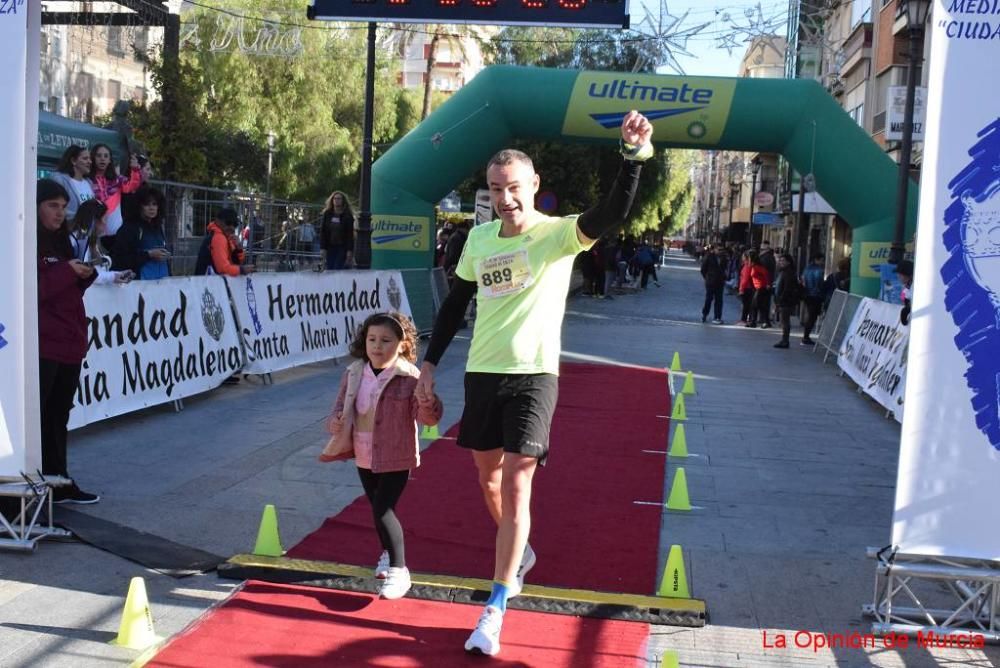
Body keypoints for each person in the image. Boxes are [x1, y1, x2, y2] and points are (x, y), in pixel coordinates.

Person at [414, 110, 654, 657]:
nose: (506, 198)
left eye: (515, 187)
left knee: (519, 483)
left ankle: (495, 607)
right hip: (484, 372)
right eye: (497, 189)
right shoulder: (475, 241)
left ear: (534, 186)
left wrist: (633, 156)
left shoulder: (556, 235)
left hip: (535, 375)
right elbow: (455, 305)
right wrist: (429, 364)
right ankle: (518, 552)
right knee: (488, 480)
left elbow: (612, 211)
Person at [318, 312, 443, 600]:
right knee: (377, 507)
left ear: (402, 345)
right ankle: (388, 555)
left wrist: (428, 402)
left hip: (396, 455)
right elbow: (338, 410)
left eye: (386, 340)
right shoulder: (353, 373)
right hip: (363, 453)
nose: (377, 346)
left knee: (382, 509)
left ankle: (400, 570)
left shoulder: (409, 377)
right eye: (372, 339)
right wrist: (335, 421)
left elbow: (428, 418)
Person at [36, 179, 101, 504]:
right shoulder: (23, 242)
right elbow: (33, 290)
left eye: (63, 206)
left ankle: (59, 482)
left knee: (58, 416)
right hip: (43, 346)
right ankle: (32, 485)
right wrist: (66, 272)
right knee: (40, 417)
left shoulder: (63, 242)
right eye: (52, 206)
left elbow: (64, 292)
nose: (60, 213)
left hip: (69, 341)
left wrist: (84, 278)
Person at [68, 199, 133, 285]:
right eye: (105, 220)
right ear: (94, 221)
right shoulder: (78, 240)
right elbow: (85, 273)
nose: (105, 225)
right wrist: (113, 276)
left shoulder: (89, 240)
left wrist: (116, 275)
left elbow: (96, 271)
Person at [112, 186, 171, 280]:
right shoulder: (129, 229)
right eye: (147, 204)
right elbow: (121, 260)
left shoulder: (158, 227)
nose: (151, 208)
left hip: (162, 283)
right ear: (139, 206)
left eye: (154, 204)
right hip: (140, 284)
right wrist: (149, 254)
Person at [88, 143, 143, 240]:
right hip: (93, 232)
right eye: (99, 155)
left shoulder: (117, 180)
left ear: (110, 160)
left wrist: (135, 170)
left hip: (115, 234)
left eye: (106, 156)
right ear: (93, 158)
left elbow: (131, 186)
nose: (102, 159)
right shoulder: (87, 180)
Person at [195, 207, 254, 277]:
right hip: (211, 283)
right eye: (228, 223)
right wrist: (242, 270)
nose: (232, 227)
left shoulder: (225, 237)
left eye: (235, 224)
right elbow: (222, 268)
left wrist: (239, 249)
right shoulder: (219, 238)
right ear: (218, 221)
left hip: (209, 282)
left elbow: (235, 263)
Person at [48, 145, 95, 223]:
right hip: (67, 233)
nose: (90, 162)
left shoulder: (89, 182)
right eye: (85, 158)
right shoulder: (59, 179)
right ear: (73, 161)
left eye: (90, 159)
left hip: (87, 233)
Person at [320, 191, 355, 270]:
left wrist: (349, 250)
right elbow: (323, 232)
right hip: (330, 246)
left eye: (339, 199)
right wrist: (322, 248)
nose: (336, 200)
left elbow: (350, 234)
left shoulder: (347, 216)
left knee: (337, 267)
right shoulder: (327, 214)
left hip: (342, 247)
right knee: (330, 267)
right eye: (335, 198)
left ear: (343, 201)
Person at [773, 253, 801, 349]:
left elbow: (787, 288)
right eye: (780, 260)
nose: (781, 262)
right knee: (784, 321)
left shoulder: (788, 273)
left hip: (786, 301)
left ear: (788, 262)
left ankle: (785, 341)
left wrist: (781, 299)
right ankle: (784, 340)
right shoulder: (783, 272)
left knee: (785, 321)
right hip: (783, 300)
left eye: (783, 260)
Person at [800, 253, 826, 345]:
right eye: (822, 260)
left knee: (809, 315)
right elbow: (820, 283)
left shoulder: (807, 269)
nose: (823, 262)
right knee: (812, 317)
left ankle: (806, 335)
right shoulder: (819, 270)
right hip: (815, 296)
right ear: (817, 260)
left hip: (807, 295)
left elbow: (803, 280)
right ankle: (806, 337)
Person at [700, 244, 725, 324]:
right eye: (719, 249)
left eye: (721, 249)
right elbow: (703, 269)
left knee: (719, 300)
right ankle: (704, 314)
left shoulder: (724, 257)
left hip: (720, 282)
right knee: (709, 299)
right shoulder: (708, 256)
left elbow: (725, 268)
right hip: (710, 281)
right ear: (714, 249)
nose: (720, 251)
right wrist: (707, 278)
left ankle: (717, 317)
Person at [896, 259, 914, 325]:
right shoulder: (906, 287)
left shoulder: (916, 287)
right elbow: (903, 298)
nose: (898, 277)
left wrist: (907, 309)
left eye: (900, 275)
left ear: (908, 275)